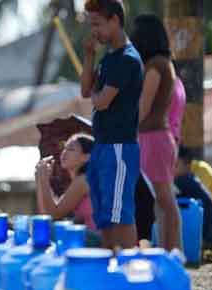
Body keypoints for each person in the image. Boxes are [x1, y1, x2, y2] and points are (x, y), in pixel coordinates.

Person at [81, 0, 143, 250]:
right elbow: (86, 91)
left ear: (115, 20)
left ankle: (134, 269)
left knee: (120, 215)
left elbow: (102, 101)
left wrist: (96, 98)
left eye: (98, 24)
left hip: (119, 148)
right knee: (104, 215)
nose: (94, 31)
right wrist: (88, 55)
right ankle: (110, 265)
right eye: (91, 24)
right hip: (102, 146)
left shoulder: (127, 59)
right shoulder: (108, 58)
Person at [130, 14, 182, 251]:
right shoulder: (164, 63)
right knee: (163, 201)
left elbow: (143, 107)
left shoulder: (155, 66)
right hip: (157, 138)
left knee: (163, 200)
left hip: (153, 138)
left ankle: (173, 252)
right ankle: (171, 250)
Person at [36, 134, 95, 231]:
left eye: (71, 149)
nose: (64, 152)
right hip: (90, 236)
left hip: (97, 240)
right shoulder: (80, 180)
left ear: (86, 157)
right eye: (64, 148)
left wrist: (44, 180)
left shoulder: (83, 180)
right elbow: (45, 214)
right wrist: (40, 179)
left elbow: (54, 215)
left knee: (43, 232)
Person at [175, 147, 212, 249]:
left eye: (175, 165)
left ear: (188, 166)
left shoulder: (183, 181)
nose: (171, 169)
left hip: (205, 236)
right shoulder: (191, 179)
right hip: (211, 234)